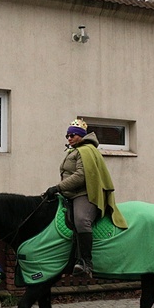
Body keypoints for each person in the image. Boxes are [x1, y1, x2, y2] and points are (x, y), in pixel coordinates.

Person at [42, 118, 127, 277]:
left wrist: (58, 187)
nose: (69, 138)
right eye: (67, 135)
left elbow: (81, 176)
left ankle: (86, 262)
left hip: (85, 194)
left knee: (81, 220)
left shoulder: (85, 150)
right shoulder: (74, 151)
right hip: (70, 194)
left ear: (81, 136)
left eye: (73, 135)